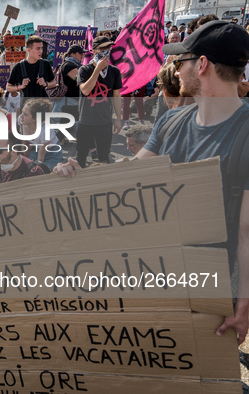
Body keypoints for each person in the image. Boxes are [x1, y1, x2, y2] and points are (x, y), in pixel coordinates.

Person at [54, 20, 249, 344]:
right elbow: (130, 171)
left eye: (181, 60)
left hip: (209, 291)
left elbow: (246, 231)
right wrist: (79, 174)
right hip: (155, 276)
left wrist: (243, 300)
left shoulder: (245, 133)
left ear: (201, 65)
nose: (175, 67)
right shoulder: (172, 121)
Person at [75, 35, 122, 168]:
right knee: (81, 158)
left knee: (104, 158)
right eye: (103, 48)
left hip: (105, 121)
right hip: (86, 121)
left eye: (108, 47)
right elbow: (85, 90)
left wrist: (118, 118)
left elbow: (116, 96)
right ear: (95, 50)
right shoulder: (84, 69)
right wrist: (97, 70)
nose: (107, 50)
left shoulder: (114, 71)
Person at [19, 99, 63, 169]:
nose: (21, 116)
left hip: (52, 152)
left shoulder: (45, 131)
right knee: (25, 167)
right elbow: (22, 137)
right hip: (36, 148)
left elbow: (40, 159)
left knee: (44, 171)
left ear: (35, 119)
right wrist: (23, 151)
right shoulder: (22, 121)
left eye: (25, 114)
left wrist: (37, 169)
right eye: (22, 112)